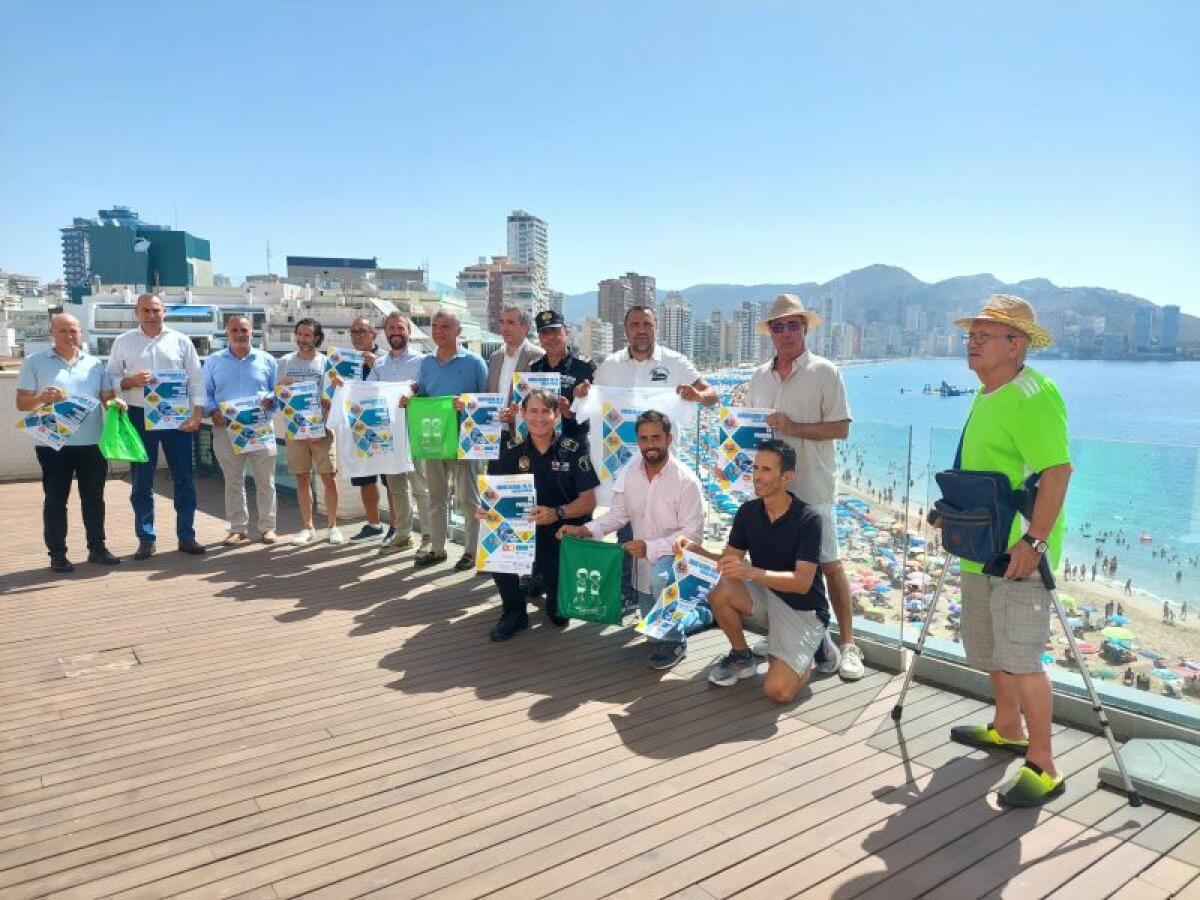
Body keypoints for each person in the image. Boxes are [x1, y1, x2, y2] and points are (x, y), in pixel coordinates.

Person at [944, 294, 1073, 808]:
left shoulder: (1032, 394)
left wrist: (1035, 542)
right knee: (990, 648)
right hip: (982, 542)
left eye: (984, 335)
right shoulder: (989, 390)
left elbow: (1058, 472)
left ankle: (1043, 764)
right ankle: (1007, 726)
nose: (971, 343)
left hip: (1020, 550)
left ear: (1016, 345)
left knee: (1021, 658)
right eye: (970, 334)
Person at [745, 293, 862, 682]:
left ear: (805, 328)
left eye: (792, 324)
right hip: (769, 491)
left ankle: (848, 645)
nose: (785, 332)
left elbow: (841, 428)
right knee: (777, 563)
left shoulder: (825, 372)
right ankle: (793, 637)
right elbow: (751, 430)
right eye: (777, 326)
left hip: (812, 486)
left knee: (829, 563)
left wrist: (795, 428)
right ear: (770, 333)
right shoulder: (759, 377)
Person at [577, 305, 718, 606]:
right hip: (621, 465)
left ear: (656, 328)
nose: (641, 329)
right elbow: (593, 401)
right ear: (626, 329)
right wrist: (582, 395)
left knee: (664, 532)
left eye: (647, 324)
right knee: (626, 528)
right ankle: (630, 592)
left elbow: (711, 395)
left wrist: (697, 396)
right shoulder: (609, 365)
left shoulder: (676, 362)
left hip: (662, 466)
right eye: (635, 324)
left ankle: (671, 595)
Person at [678, 439, 832, 704]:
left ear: (787, 478)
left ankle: (812, 650)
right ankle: (742, 656)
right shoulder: (748, 512)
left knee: (778, 692)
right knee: (720, 586)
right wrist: (696, 551)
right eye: (755, 468)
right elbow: (728, 562)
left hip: (802, 610)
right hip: (765, 597)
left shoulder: (808, 519)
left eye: (766, 470)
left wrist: (751, 573)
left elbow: (802, 583)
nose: (757, 476)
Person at [559, 410, 707, 669]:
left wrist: (650, 547)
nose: (650, 445)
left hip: (676, 563)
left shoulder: (687, 481)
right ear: (637, 441)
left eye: (656, 438)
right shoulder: (629, 474)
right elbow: (617, 516)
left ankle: (676, 642)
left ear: (669, 439)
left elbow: (691, 535)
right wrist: (584, 530)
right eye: (644, 439)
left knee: (662, 587)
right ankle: (702, 613)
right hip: (642, 564)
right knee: (652, 634)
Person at [482, 388, 598, 641]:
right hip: (521, 528)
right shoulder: (510, 449)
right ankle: (514, 611)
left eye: (546, 411)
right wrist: (486, 510)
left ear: (556, 414)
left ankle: (545, 583)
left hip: (560, 531)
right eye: (532, 411)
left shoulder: (573, 449)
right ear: (522, 414)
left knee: (558, 616)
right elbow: (493, 494)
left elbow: (589, 502)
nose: (539, 417)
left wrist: (557, 513)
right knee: (494, 542)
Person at [16, 313, 122, 572]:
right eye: (62, 330)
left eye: (73, 330)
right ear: (52, 332)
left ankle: (97, 549)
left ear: (81, 334)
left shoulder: (96, 364)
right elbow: (21, 403)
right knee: (55, 500)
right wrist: (41, 397)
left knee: (94, 499)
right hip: (53, 445)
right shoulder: (34, 362)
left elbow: (107, 398)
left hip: (92, 444)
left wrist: (115, 403)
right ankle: (58, 554)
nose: (69, 336)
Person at [105, 292, 206, 559]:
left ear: (164, 312)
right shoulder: (123, 342)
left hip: (177, 417)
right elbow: (111, 378)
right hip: (138, 415)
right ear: (137, 312)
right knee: (141, 480)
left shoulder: (181, 341)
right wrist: (129, 382)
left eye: (156, 310)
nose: (151, 315)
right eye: (146, 310)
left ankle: (187, 536)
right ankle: (146, 538)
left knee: (184, 478)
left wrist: (197, 415)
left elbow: (196, 380)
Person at [412, 308, 487, 569]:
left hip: (467, 442)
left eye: (445, 327)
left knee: (469, 501)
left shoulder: (475, 362)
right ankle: (438, 549)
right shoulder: (426, 363)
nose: (439, 332)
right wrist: (410, 400)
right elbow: (422, 395)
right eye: (435, 326)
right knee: (436, 498)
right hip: (435, 440)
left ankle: (471, 551)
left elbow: (488, 401)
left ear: (458, 331)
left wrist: (467, 403)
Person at [203, 315, 279, 545]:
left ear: (251, 332)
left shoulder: (267, 360)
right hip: (226, 430)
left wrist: (271, 399)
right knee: (233, 482)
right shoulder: (213, 361)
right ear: (226, 332)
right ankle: (238, 529)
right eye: (234, 330)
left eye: (244, 330)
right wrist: (212, 410)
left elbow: (278, 391)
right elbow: (205, 393)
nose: (240, 334)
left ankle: (268, 528)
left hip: (260, 428)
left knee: (266, 482)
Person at [368, 312, 431, 555]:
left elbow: (428, 391)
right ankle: (403, 535)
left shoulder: (423, 361)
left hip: (415, 432)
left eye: (400, 327)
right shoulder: (379, 365)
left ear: (409, 331)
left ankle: (428, 536)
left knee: (421, 487)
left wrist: (414, 395)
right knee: (396, 488)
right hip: (388, 435)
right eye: (391, 328)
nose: (395, 332)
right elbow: (368, 392)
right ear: (385, 333)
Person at [279, 318, 344, 546]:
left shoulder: (327, 363)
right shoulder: (285, 362)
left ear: (316, 338)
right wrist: (283, 388)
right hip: (295, 430)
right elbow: (278, 398)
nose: (303, 339)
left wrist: (330, 403)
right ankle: (307, 527)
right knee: (302, 479)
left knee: (329, 478)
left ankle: (333, 526)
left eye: (308, 335)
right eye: (300, 335)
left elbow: (337, 398)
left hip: (322, 430)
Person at [332, 315, 392, 543]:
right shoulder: (344, 362)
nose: (357, 336)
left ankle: (396, 527)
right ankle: (374, 524)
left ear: (373, 335)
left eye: (362, 331)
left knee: (391, 481)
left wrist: (374, 364)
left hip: (383, 428)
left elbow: (395, 387)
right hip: (357, 428)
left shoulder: (385, 359)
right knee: (365, 480)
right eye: (354, 332)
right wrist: (336, 384)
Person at [530, 308, 594, 440]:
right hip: (542, 444)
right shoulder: (534, 368)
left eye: (555, 331)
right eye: (545, 332)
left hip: (574, 445)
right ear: (540, 338)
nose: (551, 337)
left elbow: (595, 414)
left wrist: (570, 412)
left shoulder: (585, 367)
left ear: (567, 332)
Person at [487, 304, 544, 436]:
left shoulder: (538, 356)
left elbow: (544, 398)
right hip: (495, 435)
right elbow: (488, 393)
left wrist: (517, 413)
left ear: (525, 327)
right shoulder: (495, 357)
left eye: (511, 323)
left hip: (525, 435)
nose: (504, 328)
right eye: (502, 322)